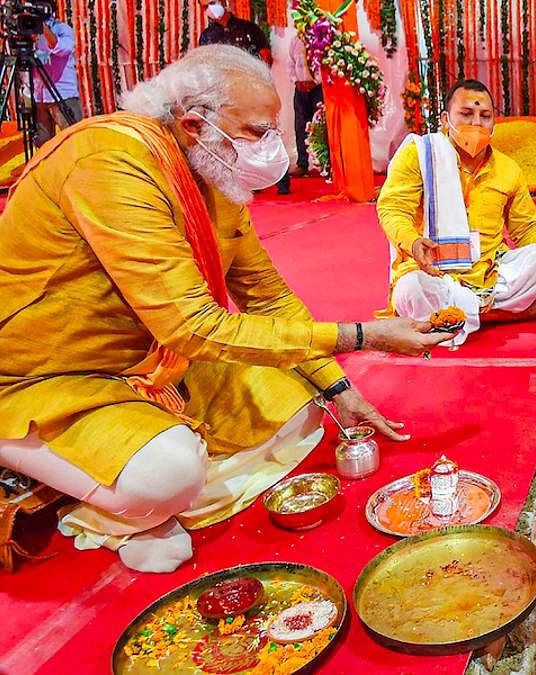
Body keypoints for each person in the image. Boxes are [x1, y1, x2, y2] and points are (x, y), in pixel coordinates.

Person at [0, 46, 451, 574]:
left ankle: (130, 477)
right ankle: (114, 507)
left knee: (303, 408)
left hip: (155, 359)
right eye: (259, 132)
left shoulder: (210, 169)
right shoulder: (109, 165)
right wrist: (365, 336)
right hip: (52, 374)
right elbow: (191, 326)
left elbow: (267, 295)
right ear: (195, 124)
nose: (272, 148)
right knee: (168, 474)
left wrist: (338, 388)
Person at [377, 79, 536, 346]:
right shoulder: (421, 155)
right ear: (445, 119)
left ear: (495, 122)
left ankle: (463, 315)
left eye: (485, 116)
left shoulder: (508, 169)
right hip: (433, 273)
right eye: (466, 114)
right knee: (410, 291)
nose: (476, 123)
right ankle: (497, 315)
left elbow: (526, 227)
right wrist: (412, 242)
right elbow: (393, 208)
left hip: (488, 273)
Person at [197, 0, 289, 194]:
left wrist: (258, 81)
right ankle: (250, 182)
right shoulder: (207, 36)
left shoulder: (248, 28)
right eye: (204, 6)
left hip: (253, 90)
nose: (209, 9)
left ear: (223, 3)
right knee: (238, 137)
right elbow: (203, 64)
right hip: (224, 95)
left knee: (266, 133)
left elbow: (265, 56)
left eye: (211, 3)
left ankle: (281, 180)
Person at [32, 6, 82, 147]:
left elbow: (62, 48)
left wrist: (43, 28)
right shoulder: (28, 31)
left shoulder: (62, 29)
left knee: (73, 141)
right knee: (43, 145)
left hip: (62, 95)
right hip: (39, 96)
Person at [289, 34, 323, 177]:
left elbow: (324, 64)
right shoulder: (295, 40)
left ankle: (325, 164)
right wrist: (296, 81)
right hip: (300, 90)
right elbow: (290, 63)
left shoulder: (321, 37)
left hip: (317, 89)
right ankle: (302, 164)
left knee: (320, 127)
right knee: (300, 127)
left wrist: (315, 82)